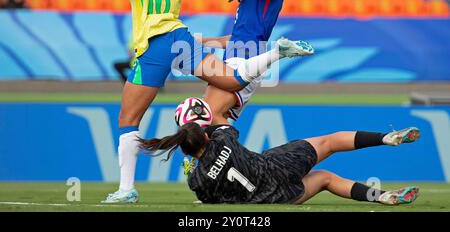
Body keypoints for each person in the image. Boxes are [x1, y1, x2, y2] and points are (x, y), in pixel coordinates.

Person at [76, 0, 314, 203]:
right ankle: (210, 169)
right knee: (205, 110)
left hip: (157, 44)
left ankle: (129, 188)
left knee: (131, 119)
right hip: (182, 38)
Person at [140, 109, 421, 205]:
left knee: (325, 179)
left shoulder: (197, 181)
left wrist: (191, 164)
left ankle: (381, 197)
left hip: (275, 197)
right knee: (330, 141)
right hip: (275, 166)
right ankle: (386, 138)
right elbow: (222, 121)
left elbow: (206, 196)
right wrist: (203, 120)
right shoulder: (221, 140)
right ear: (204, 136)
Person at [198, 0, 297, 124]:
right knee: (211, 118)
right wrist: (202, 41)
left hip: (245, 60)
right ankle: (225, 154)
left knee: (208, 116)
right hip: (234, 58)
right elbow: (236, 38)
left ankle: (227, 155)